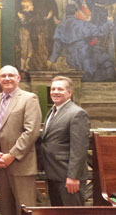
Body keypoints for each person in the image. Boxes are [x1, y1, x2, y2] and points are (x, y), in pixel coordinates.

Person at [0, 65, 41, 215]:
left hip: (21, 164)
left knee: (26, 209)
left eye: (11, 75)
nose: (7, 78)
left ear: (18, 78)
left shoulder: (29, 98)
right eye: (3, 76)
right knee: (5, 209)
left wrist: (12, 155)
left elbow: (31, 131)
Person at [38, 76, 89, 206]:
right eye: (53, 89)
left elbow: (79, 149)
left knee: (72, 212)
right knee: (57, 210)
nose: (55, 92)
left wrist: (73, 176)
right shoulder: (52, 111)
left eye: (60, 89)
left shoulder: (77, 113)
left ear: (69, 93)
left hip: (68, 176)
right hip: (53, 173)